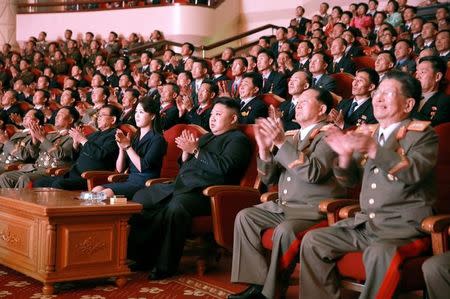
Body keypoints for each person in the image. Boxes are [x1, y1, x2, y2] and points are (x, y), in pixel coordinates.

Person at [300, 71, 439, 299]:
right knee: (314, 240)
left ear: (409, 104)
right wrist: (344, 158)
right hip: (367, 225)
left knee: (379, 252)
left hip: (402, 229)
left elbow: (414, 172)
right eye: (378, 92)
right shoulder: (369, 133)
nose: (378, 98)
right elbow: (350, 180)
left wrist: (374, 149)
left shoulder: (422, 135)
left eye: (388, 93)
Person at [228, 87, 345, 299]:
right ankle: (258, 283)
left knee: (284, 230)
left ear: (322, 109)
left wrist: (280, 143)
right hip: (284, 206)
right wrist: (264, 150)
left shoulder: (330, 134)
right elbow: (268, 179)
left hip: (312, 211)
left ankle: (270, 293)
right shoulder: (292, 136)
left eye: (305, 101)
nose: (298, 103)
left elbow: (313, 173)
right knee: (245, 217)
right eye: (297, 101)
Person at [128, 97, 252, 280]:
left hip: (207, 193)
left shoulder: (237, 140)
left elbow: (225, 167)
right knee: (142, 198)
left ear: (233, 119)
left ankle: (165, 266)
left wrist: (195, 150)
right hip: (181, 186)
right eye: (212, 114)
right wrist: (186, 154)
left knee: (175, 208)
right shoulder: (208, 137)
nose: (212, 118)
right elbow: (187, 166)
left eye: (218, 114)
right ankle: (143, 258)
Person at [92, 98, 167, 200]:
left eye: (141, 112)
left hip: (145, 184)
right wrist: (122, 150)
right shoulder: (136, 138)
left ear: (152, 116)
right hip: (130, 181)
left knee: (103, 195)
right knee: (95, 190)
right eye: (136, 112)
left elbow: (142, 167)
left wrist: (128, 147)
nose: (137, 115)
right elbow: (120, 169)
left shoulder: (158, 140)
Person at [33, 105, 120, 190]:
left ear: (113, 119)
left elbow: (100, 155)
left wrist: (82, 140)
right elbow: (76, 157)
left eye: (103, 115)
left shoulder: (115, 135)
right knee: (39, 182)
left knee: (59, 184)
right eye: (98, 115)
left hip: (91, 177)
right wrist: (75, 144)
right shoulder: (95, 134)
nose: (99, 118)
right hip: (74, 173)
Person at [0, 107, 79, 188]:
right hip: (36, 169)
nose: (56, 117)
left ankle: (20, 200)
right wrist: (34, 140)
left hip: (50, 171)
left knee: (24, 178)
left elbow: (59, 155)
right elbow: (34, 155)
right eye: (56, 115)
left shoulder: (73, 136)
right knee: (5, 177)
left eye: (60, 115)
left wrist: (41, 138)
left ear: (70, 120)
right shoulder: (50, 135)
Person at [0, 109, 45, 174]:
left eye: (28, 116)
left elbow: (25, 156)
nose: (24, 118)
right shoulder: (18, 133)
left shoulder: (37, 135)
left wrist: (6, 141)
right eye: (24, 116)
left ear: (36, 121)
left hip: (14, 166)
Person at [414, 56, 450, 126]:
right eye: (416, 72)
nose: (417, 76)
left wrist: (407, 111)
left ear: (437, 77)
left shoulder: (445, 102)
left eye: (422, 72)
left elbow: (434, 127)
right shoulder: (408, 94)